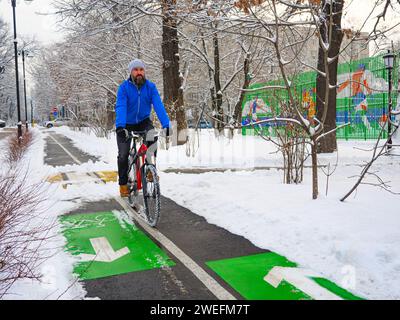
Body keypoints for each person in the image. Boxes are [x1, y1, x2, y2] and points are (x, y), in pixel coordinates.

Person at [115, 58, 171, 197]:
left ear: (144, 71)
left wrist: (166, 125)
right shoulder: (124, 88)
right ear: (131, 72)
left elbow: (158, 105)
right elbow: (121, 106)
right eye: (136, 70)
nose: (139, 72)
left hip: (143, 121)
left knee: (152, 139)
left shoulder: (150, 87)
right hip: (126, 124)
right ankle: (123, 184)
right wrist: (120, 127)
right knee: (123, 155)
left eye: (141, 69)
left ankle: (149, 170)